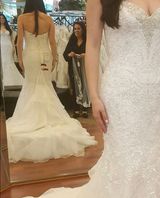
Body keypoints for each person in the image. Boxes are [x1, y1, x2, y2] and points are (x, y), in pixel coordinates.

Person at [1, 0, 160, 198]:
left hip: (159, 94)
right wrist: (94, 96)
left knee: (151, 157)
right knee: (124, 158)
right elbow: (92, 46)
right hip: (121, 92)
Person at [5, 0, 96, 163]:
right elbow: (53, 42)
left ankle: (35, 117)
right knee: (45, 86)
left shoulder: (22, 18)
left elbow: (19, 42)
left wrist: (19, 60)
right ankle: (48, 118)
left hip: (30, 56)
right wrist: (54, 60)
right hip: (45, 55)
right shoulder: (47, 20)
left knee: (32, 86)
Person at [63, 21, 89, 118]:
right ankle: (76, 109)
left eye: (78, 28)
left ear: (83, 29)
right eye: (75, 29)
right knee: (74, 88)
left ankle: (85, 108)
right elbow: (65, 55)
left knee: (85, 87)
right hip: (73, 69)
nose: (76, 30)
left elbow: (93, 54)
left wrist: (85, 55)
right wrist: (70, 55)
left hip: (85, 69)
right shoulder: (72, 41)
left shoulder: (87, 41)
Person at [0, 13, 23, 87]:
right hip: (1, 47)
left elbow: (12, 39)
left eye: (3, 18)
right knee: (2, 62)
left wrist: (13, 47)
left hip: (8, 46)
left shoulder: (8, 28)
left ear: (5, 19)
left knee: (9, 61)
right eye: (0, 18)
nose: (1, 20)